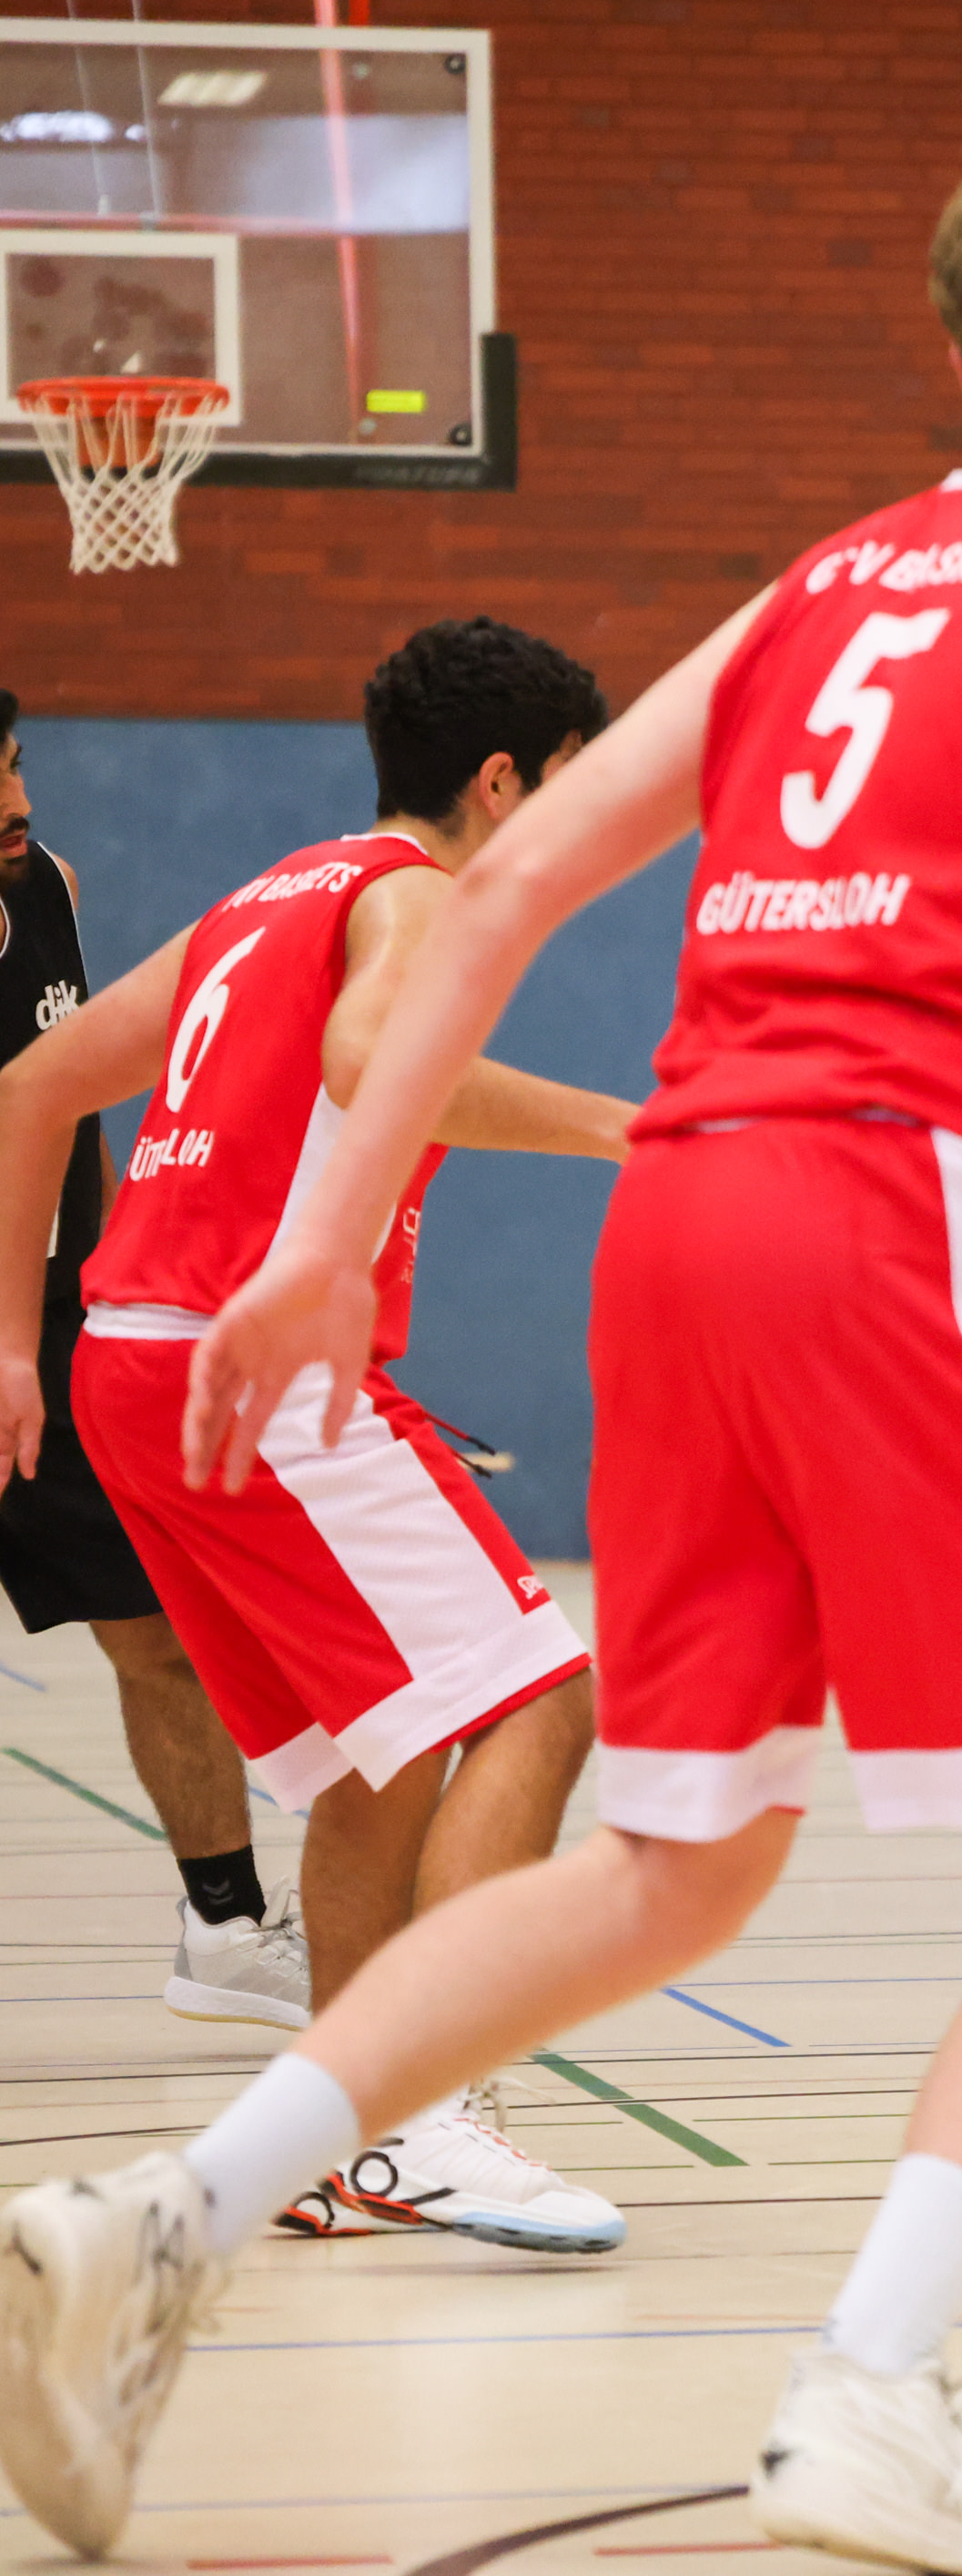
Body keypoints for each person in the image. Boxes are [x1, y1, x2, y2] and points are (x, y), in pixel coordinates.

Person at [0, 140, 962, 2575]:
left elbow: (503, 883)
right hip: (906, 1214)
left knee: (676, 1859)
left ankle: (162, 2223)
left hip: (686, 1219)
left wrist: (320, 1239)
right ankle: (869, 2391)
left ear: (955, 361)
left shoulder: (818, 588)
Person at [0, 624, 632, 2257]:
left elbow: (35, 1086)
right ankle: (431, 2117)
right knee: (542, 1698)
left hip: (128, 1368)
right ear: (504, 782)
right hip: (253, 1367)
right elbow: (375, 1063)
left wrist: (13, 1343)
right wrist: (622, 1127)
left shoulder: (269, 895)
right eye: (581, 782)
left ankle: (346, 2135)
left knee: (384, 1750)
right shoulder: (421, 899)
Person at [0, 697, 303, 2028]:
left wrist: (135, 1273)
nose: (15, 801)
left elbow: (75, 1113)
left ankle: (225, 1928)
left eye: (14, 767)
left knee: (163, 1636)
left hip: (59, 1335)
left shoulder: (51, 888)